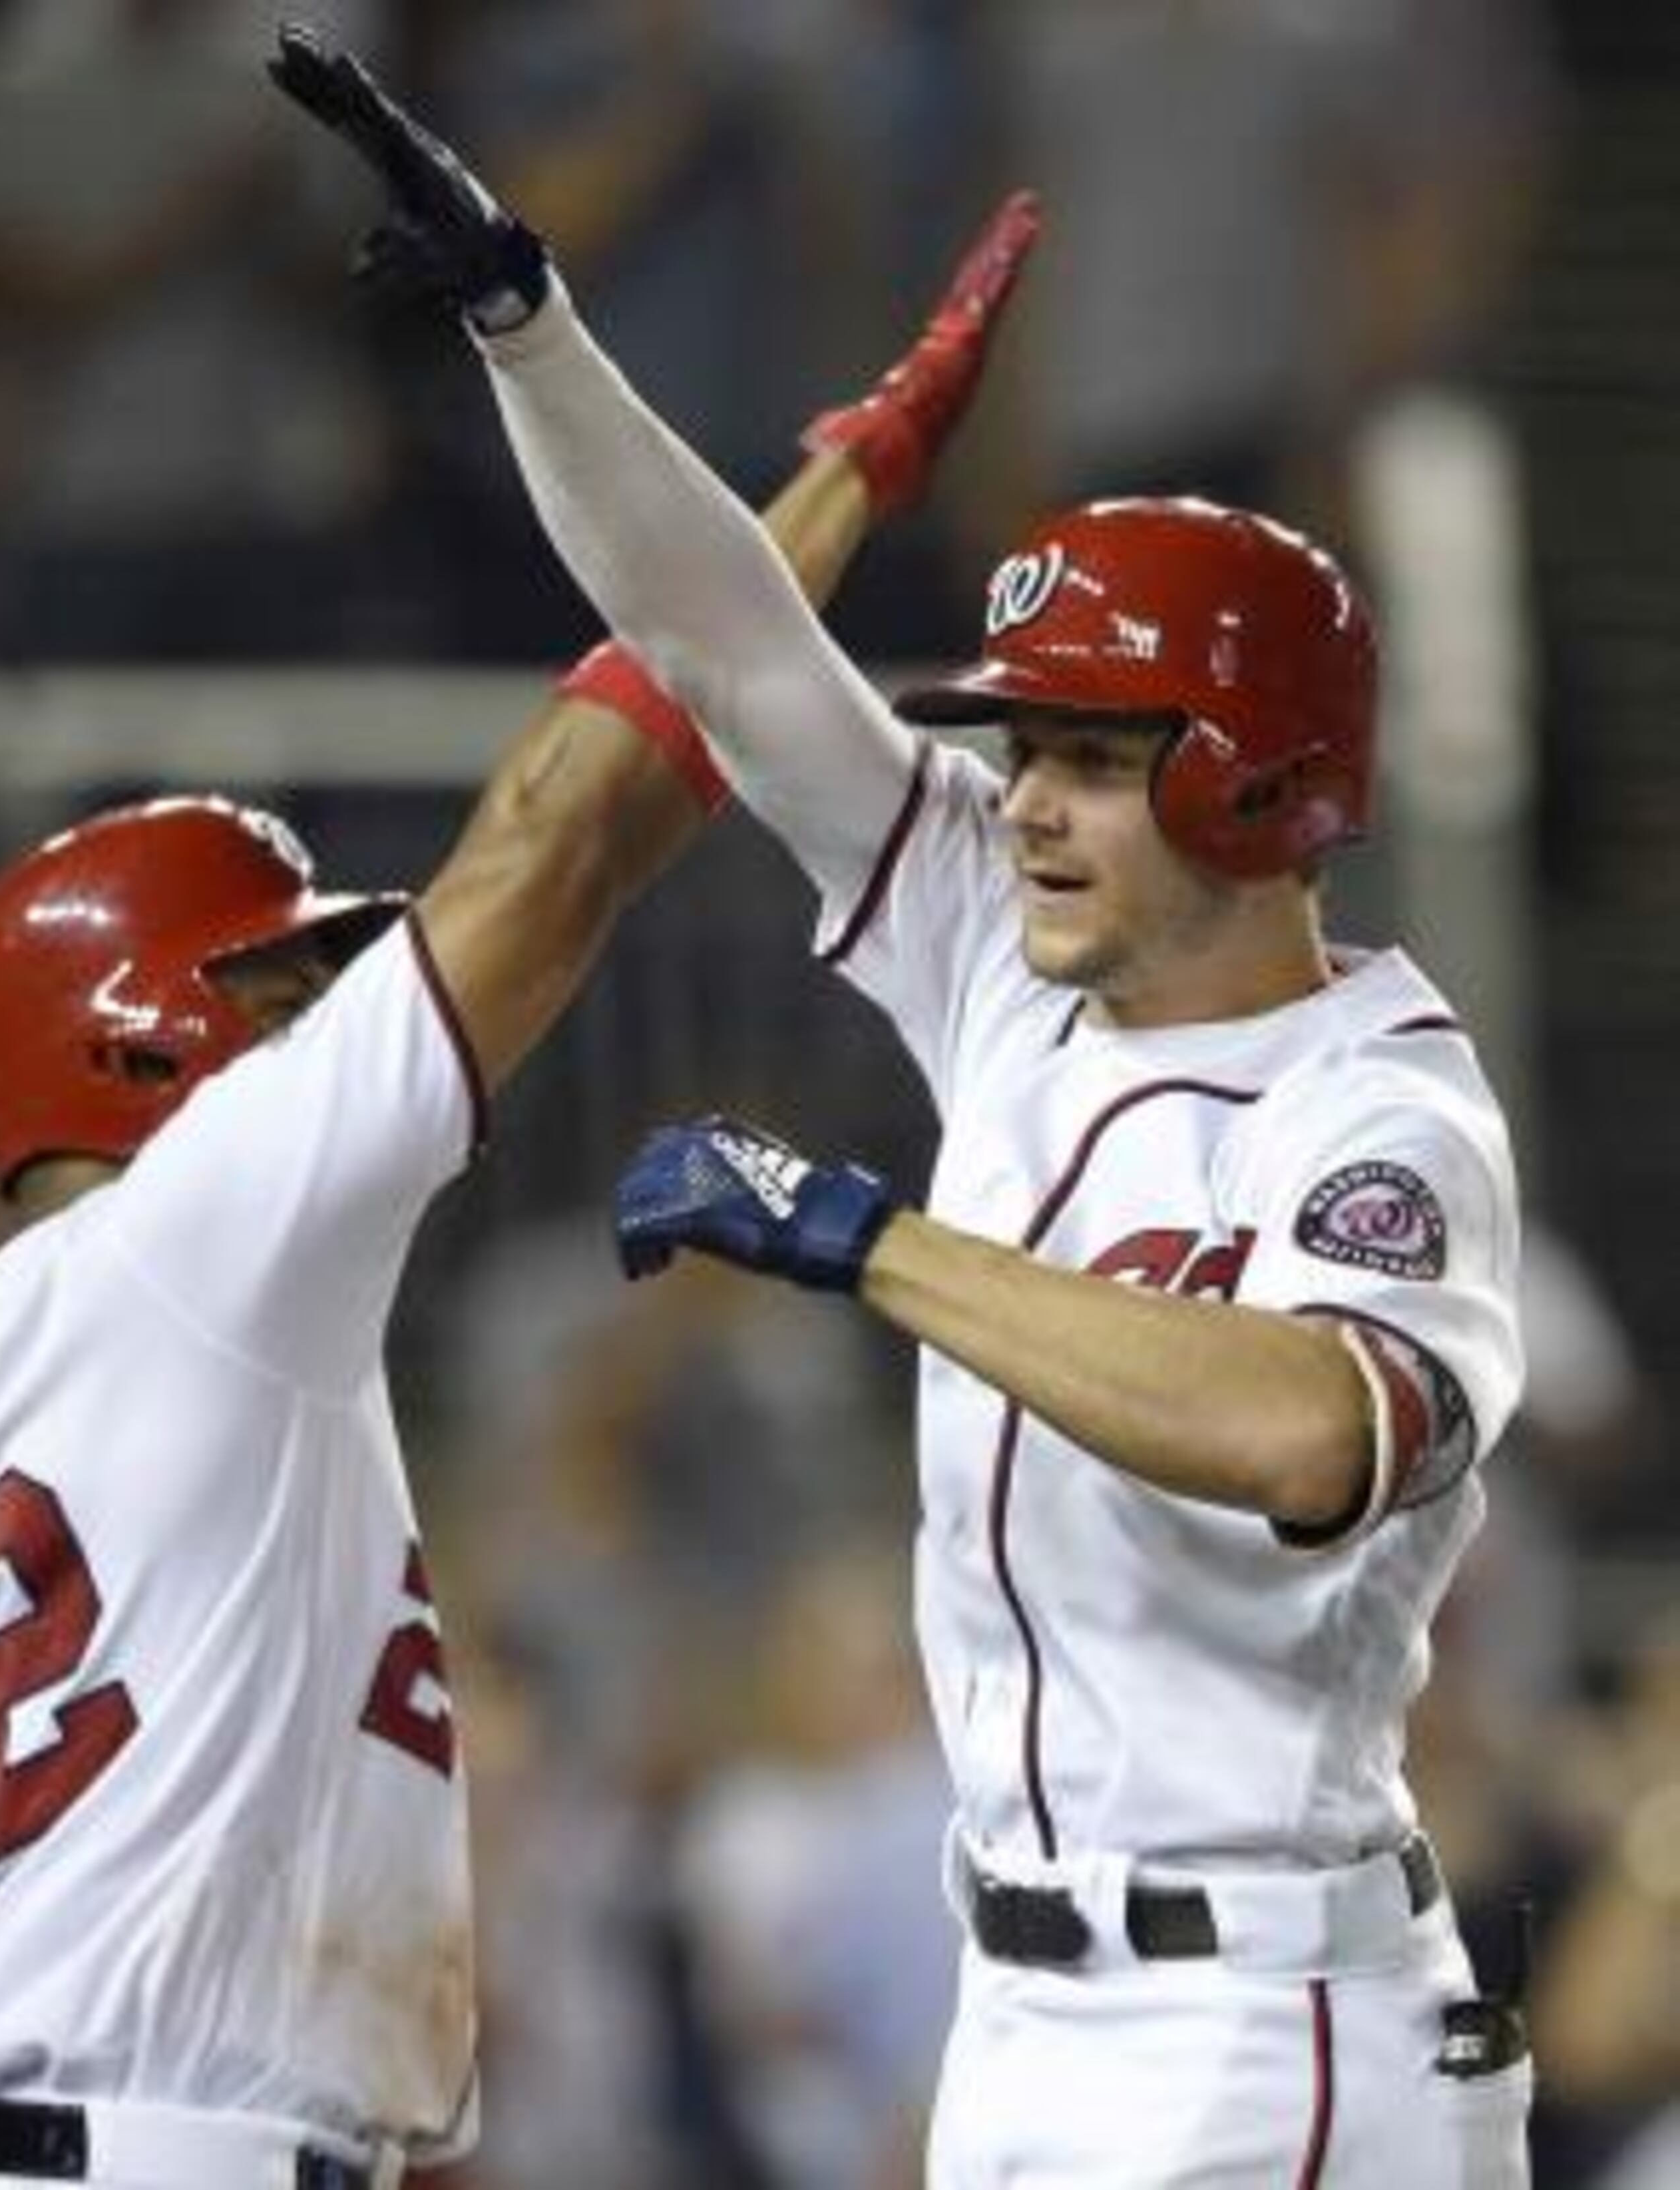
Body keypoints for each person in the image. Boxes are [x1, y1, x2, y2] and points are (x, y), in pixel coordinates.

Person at [272, 27, 1533, 2187]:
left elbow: (1307, 1425)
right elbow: (728, 649)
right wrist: (534, 331)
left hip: (1274, 2031)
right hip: (1027, 2009)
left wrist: (870, 1240)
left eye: (1088, 756)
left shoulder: (1386, 1110)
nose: (1019, 803)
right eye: (1016, 747)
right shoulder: (1018, 964)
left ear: (1257, 776)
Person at [0, 40, 1040, 2181]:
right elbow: (565, 836)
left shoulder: (76, 1320)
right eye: (281, 984)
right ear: (135, 1051)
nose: (347, 1008)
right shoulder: (191, 1244)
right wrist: (833, 485)